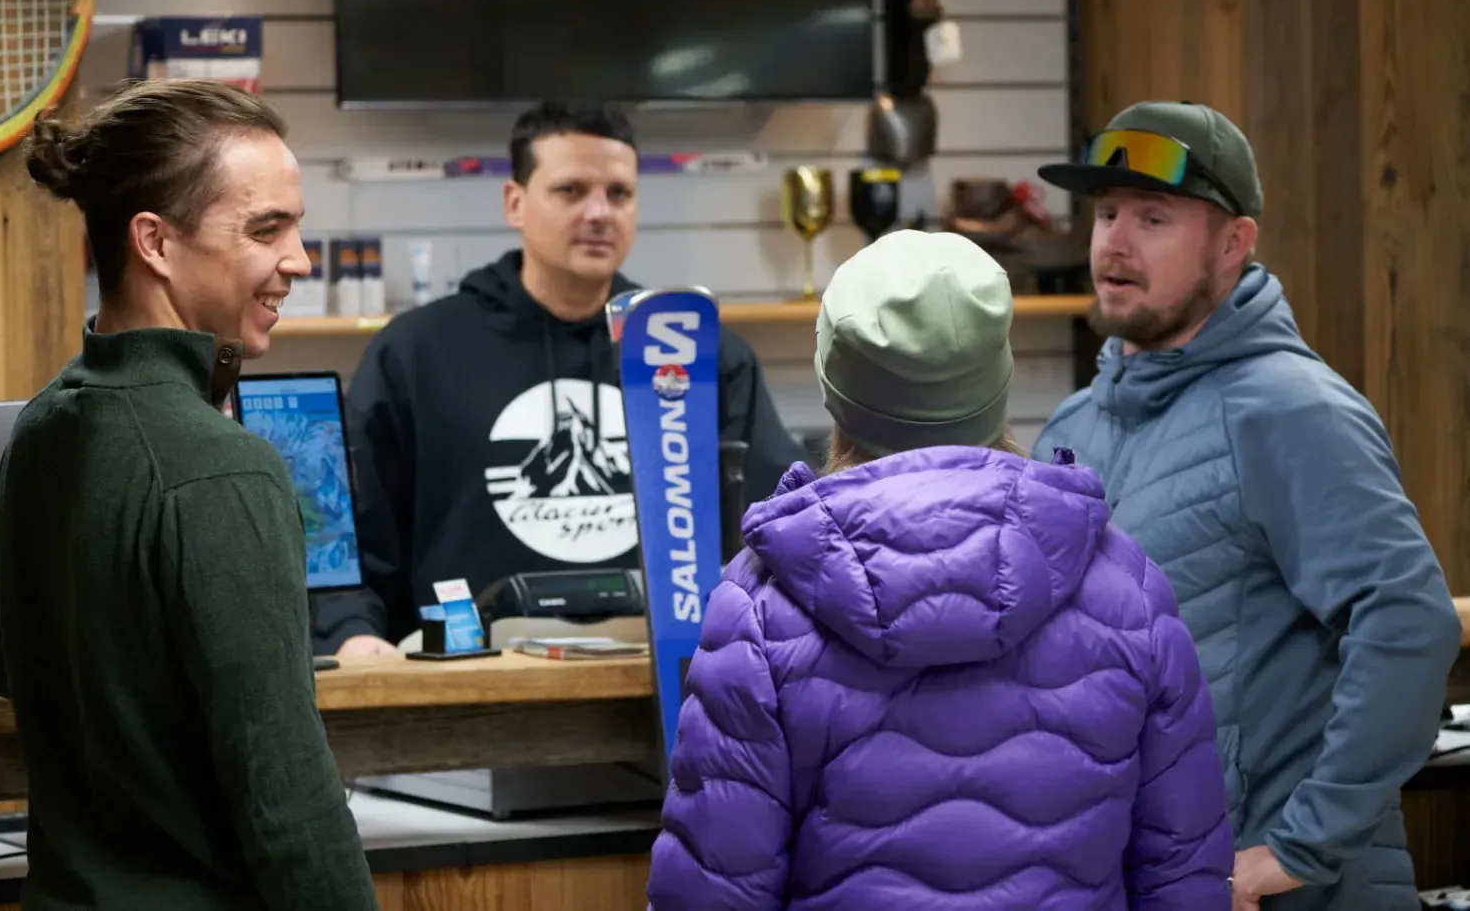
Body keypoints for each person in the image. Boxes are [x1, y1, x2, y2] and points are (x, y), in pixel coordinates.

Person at [646, 229, 1233, 910]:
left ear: (837, 391)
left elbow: (712, 892)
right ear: (997, 382)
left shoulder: (762, 606)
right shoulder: (1126, 587)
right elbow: (1183, 875)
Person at [1031, 100, 1461, 911]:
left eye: (1153, 217)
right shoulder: (1073, 426)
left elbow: (1408, 620)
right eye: (1107, 212)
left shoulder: (1290, 410)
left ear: (1235, 244)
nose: (1114, 242)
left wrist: (1298, 848)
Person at [0, 79, 378, 911]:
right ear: (153, 239)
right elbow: (288, 802)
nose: (298, 258)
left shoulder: (43, 424)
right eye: (267, 229)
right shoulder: (227, 468)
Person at [321, 100, 805, 655]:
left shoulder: (697, 354)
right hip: (466, 688)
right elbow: (352, 536)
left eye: (619, 193)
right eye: (571, 190)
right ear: (515, 202)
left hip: (665, 686)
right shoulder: (416, 354)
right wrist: (352, 635)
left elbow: (775, 527)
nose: (599, 212)